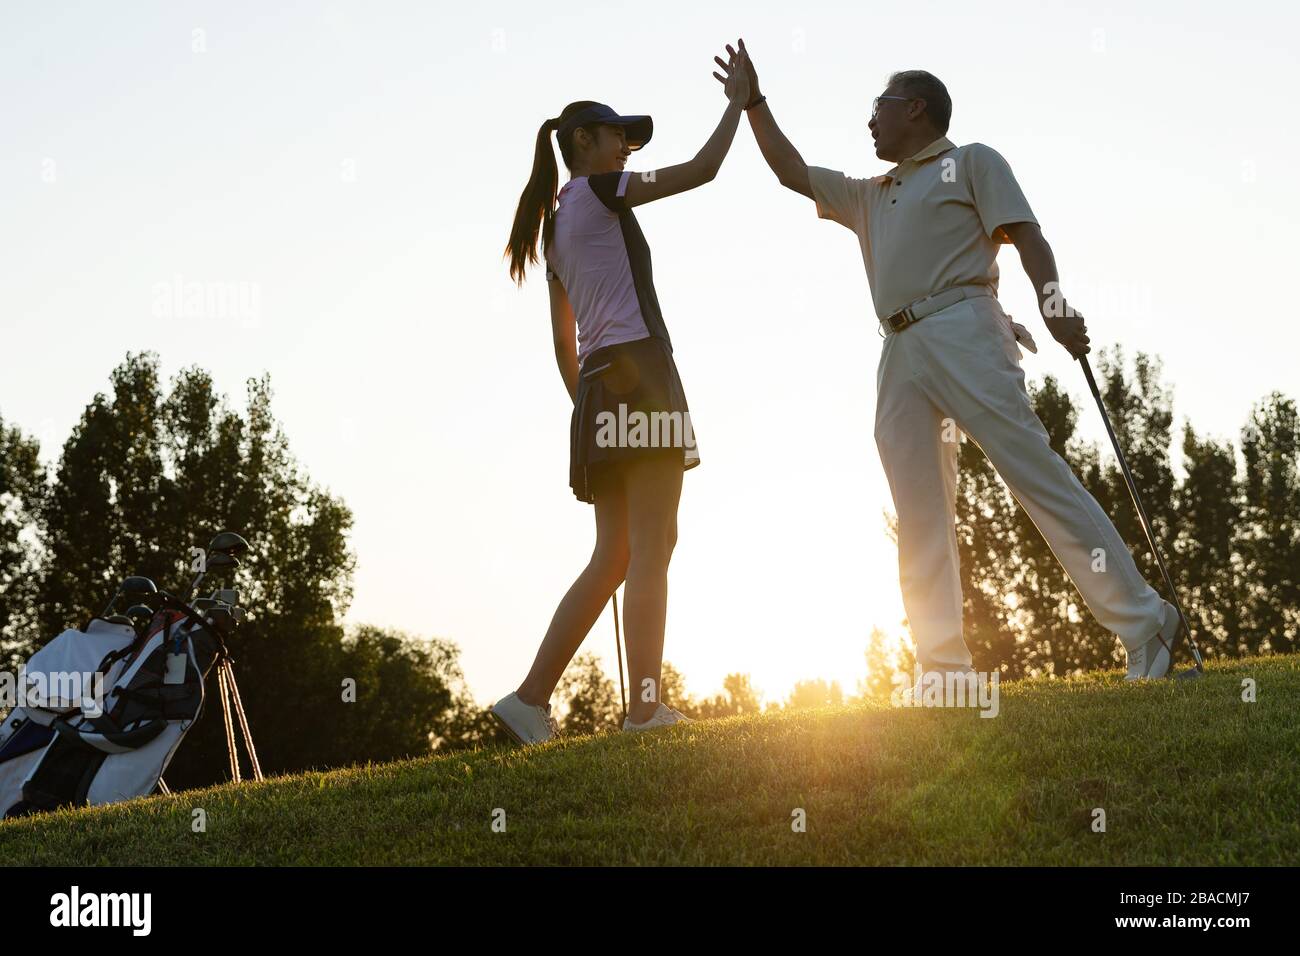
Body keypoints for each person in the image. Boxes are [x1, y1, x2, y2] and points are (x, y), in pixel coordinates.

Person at [721, 38, 1182, 683]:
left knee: (1032, 474)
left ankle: (1145, 622)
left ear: (914, 108)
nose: (870, 118)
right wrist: (754, 104)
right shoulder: (869, 194)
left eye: (878, 105)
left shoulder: (972, 162)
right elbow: (792, 172)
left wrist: (1052, 304)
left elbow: (1027, 234)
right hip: (898, 348)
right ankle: (944, 669)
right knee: (919, 509)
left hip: (965, 325)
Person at [493, 48, 752, 743]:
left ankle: (529, 700)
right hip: (641, 377)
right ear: (584, 142)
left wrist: (589, 408)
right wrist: (740, 104)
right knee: (653, 545)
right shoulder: (603, 192)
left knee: (615, 554)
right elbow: (702, 170)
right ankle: (643, 710)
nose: (625, 150)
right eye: (618, 138)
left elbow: (562, 346)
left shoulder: (553, 226)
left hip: (597, 391)